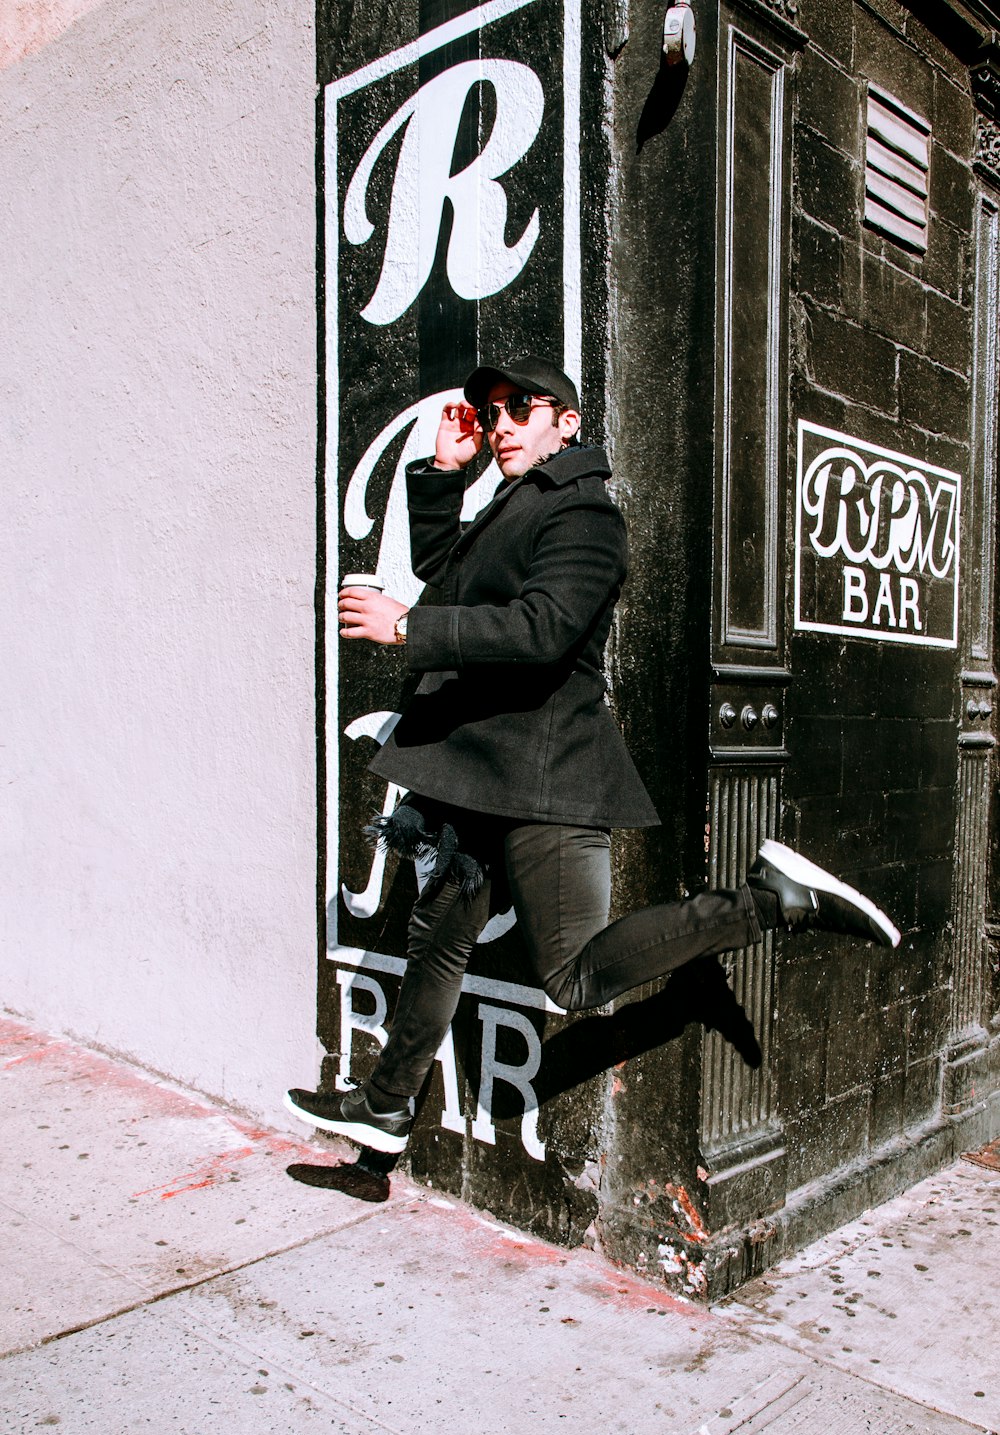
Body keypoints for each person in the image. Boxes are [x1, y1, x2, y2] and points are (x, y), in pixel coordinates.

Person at [286, 355, 899, 1154]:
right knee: (436, 939)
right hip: (484, 770)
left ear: (566, 421)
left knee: (568, 977)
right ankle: (388, 1106)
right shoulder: (517, 504)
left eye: (519, 409)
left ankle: (770, 900)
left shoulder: (586, 516)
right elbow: (450, 577)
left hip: (546, 774)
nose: (501, 425)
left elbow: (543, 631)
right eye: (492, 413)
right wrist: (442, 474)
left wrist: (409, 627)